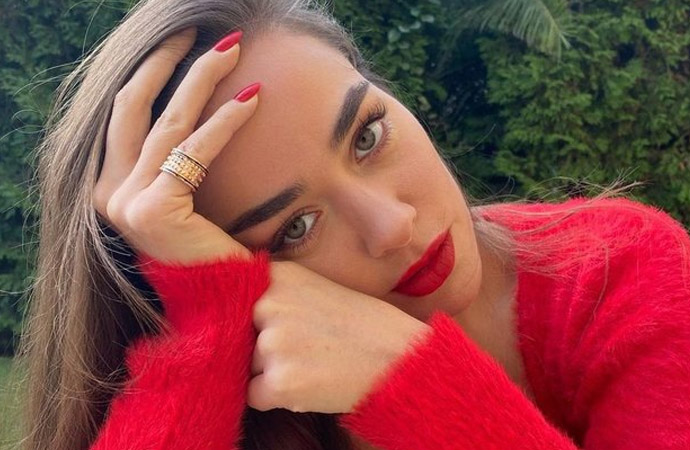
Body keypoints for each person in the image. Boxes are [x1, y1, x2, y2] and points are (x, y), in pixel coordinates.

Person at [14, 0, 690, 449]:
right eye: (295, 227)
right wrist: (210, 311)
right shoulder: (256, 403)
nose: (391, 226)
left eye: (367, 135)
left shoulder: (620, 270)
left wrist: (422, 387)